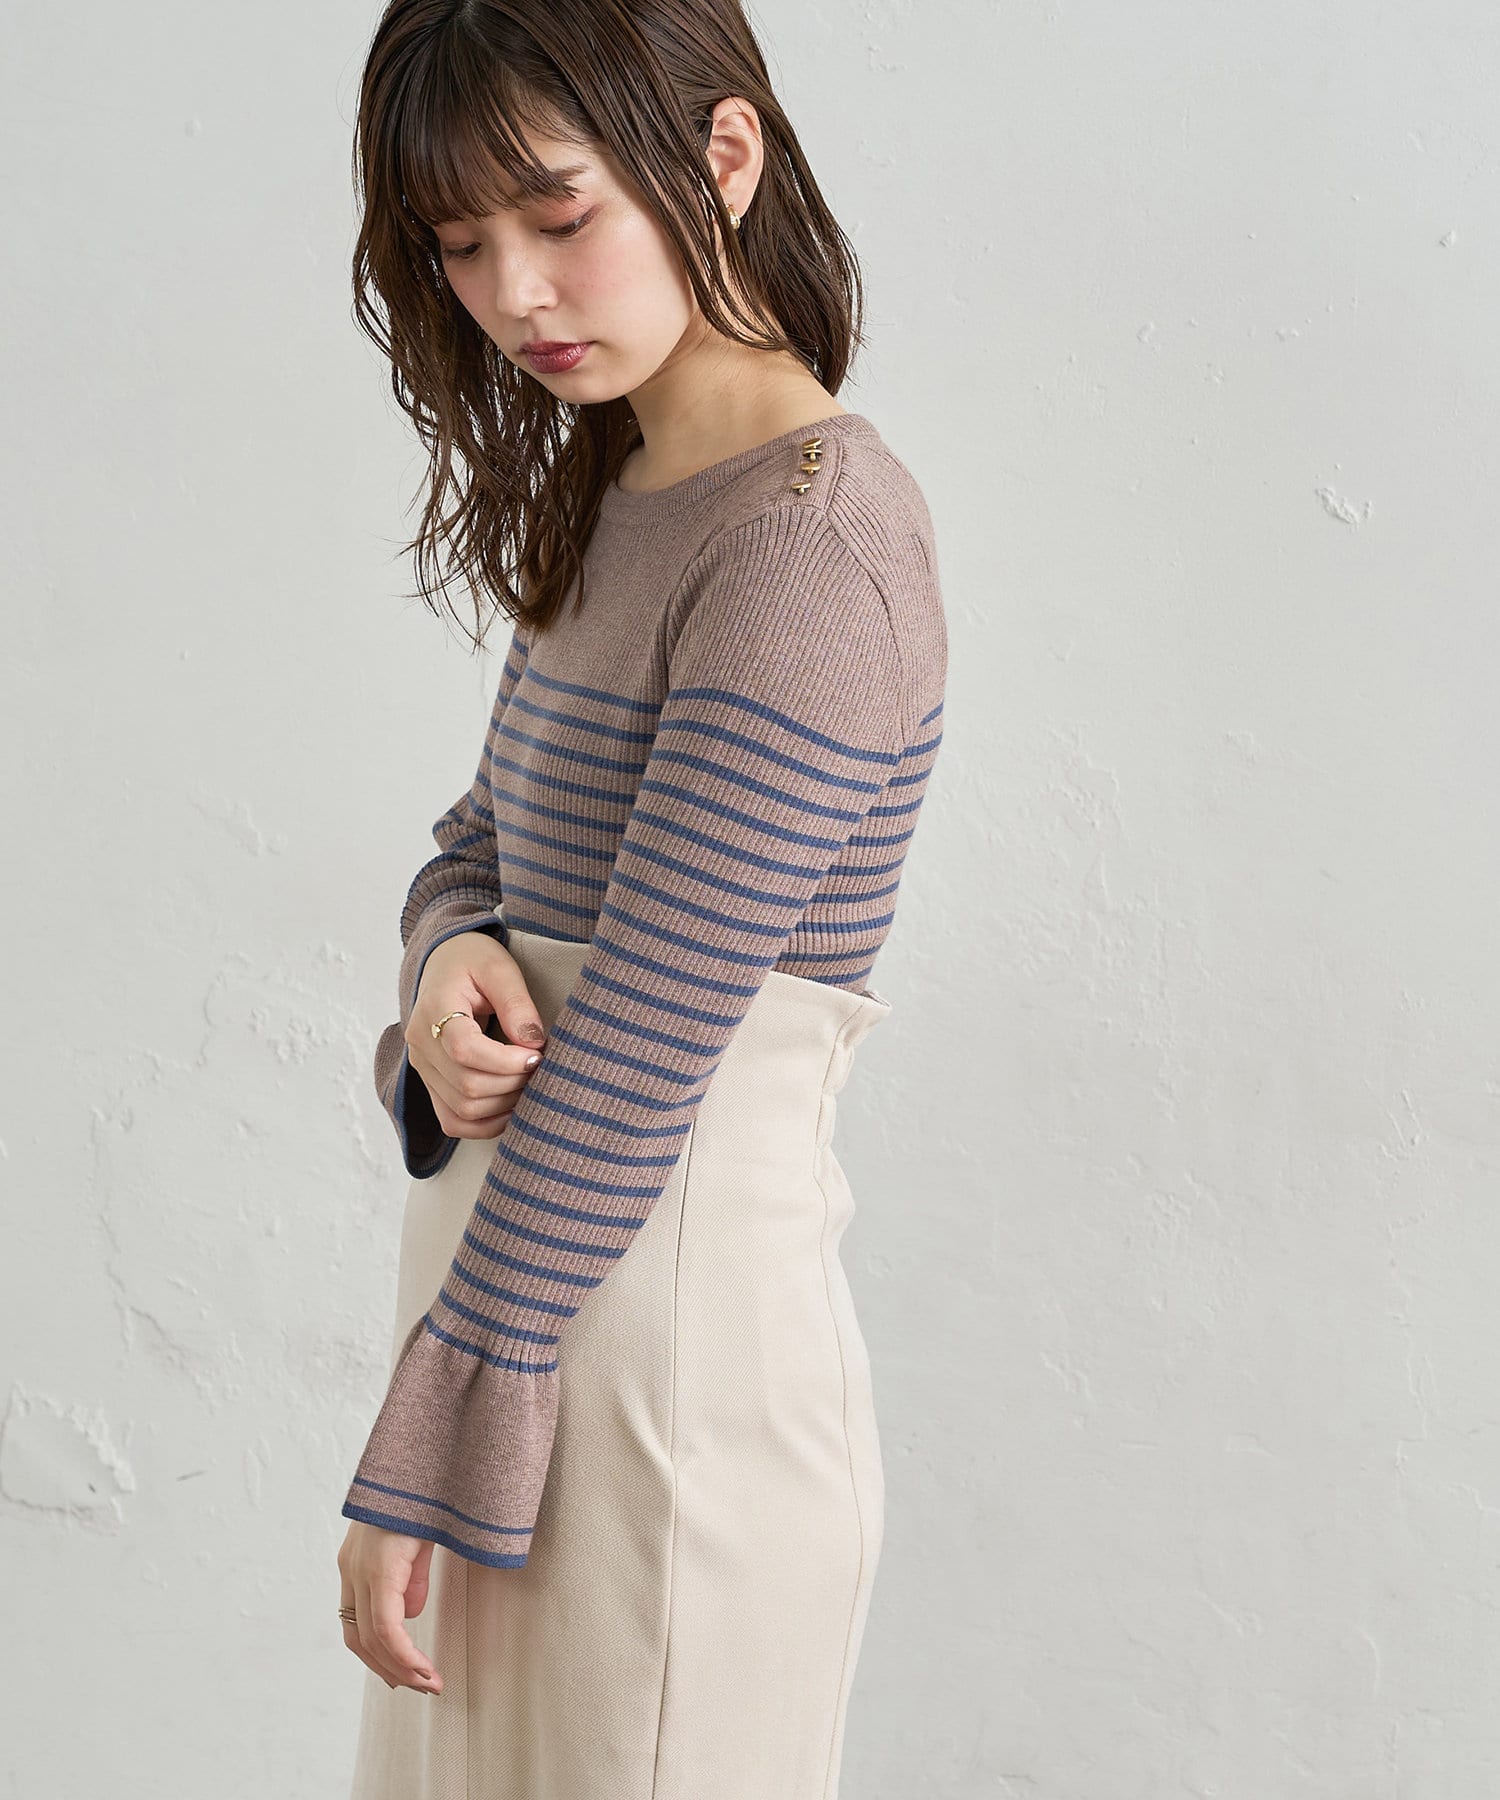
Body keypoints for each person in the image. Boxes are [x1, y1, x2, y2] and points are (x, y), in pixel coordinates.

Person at [335, 2, 947, 1794]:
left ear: (723, 158)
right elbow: (484, 843)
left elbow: (644, 1049)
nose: (514, 292)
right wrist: (448, 963)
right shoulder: (624, 486)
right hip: (521, 1340)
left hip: (658, 1384)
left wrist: (431, 1444)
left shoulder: (808, 546)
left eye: (557, 213)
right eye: (461, 244)